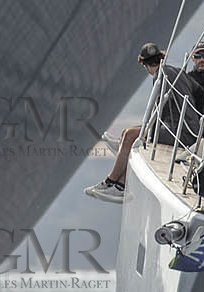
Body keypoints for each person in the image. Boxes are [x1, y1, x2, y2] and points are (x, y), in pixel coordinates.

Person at [84, 43, 198, 204]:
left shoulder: (160, 75)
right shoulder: (177, 71)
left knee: (130, 135)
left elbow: (157, 111)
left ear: (145, 64)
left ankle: (111, 182)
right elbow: (199, 92)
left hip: (180, 133)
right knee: (128, 133)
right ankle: (121, 180)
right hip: (185, 129)